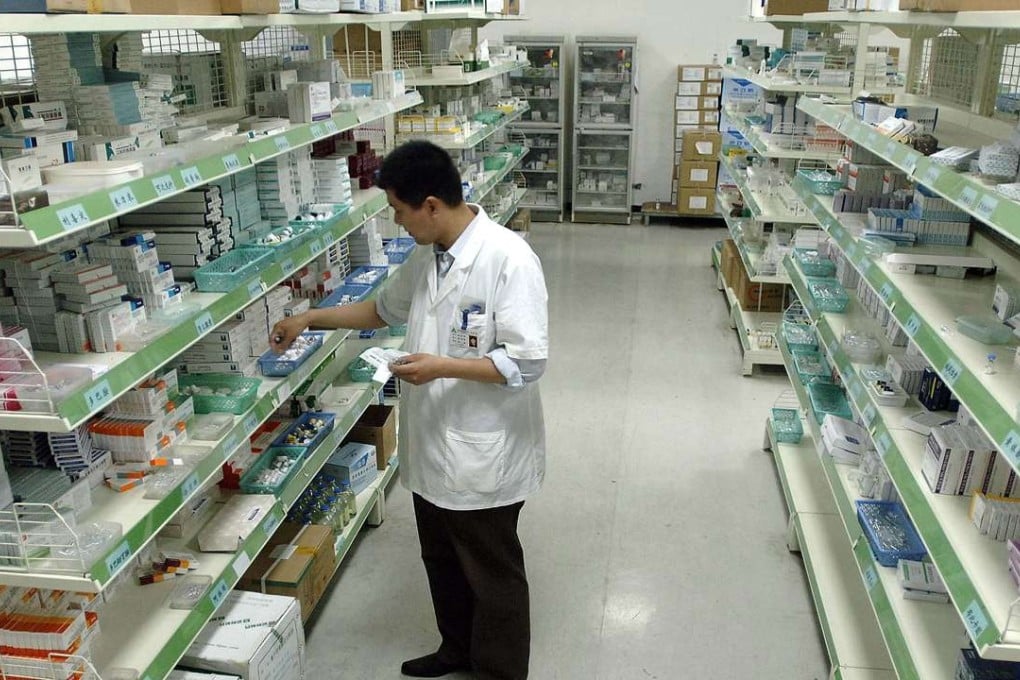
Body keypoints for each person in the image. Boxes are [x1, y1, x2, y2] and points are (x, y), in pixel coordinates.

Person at [269, 140, 549, 680]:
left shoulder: (508, 259)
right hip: (430, 444)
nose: (396, 221)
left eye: (398, 210)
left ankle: (499, 671)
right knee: (441, 559)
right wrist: (311, 319)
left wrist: (441, 367)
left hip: (483, 452)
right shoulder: (429, 255)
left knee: (493, 573)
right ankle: (456, 650)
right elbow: (381, 309)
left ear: (431, 205)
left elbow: (527, 361)